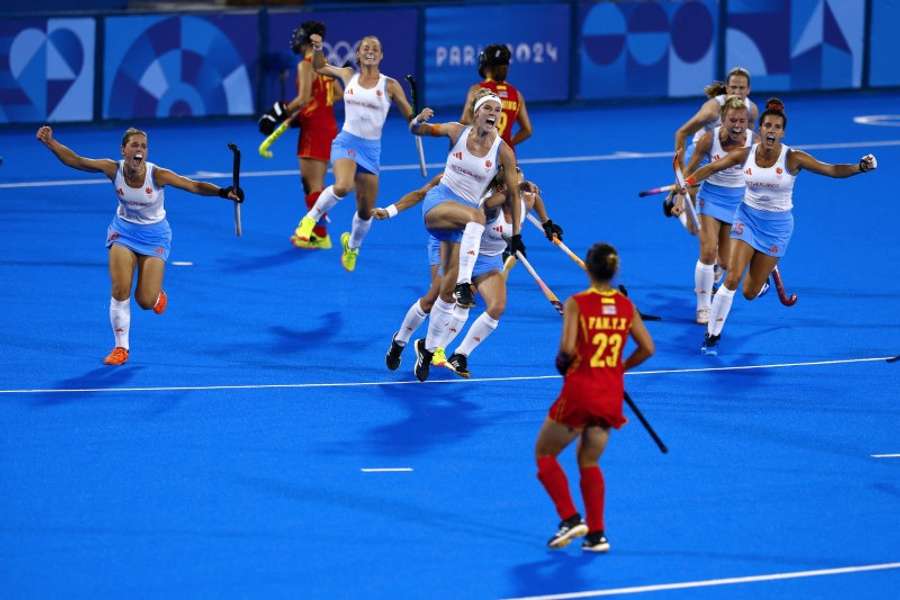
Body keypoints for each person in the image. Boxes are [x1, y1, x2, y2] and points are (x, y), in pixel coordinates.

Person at [35, 125, 244, 365]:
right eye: (134, 145)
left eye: (143, 146)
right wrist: (51, 143)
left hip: (155, 237)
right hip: (123, 232)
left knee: (145, 300)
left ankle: (156, 296)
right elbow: (77, 161)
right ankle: (121, 348)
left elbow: (193, 185)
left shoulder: (157, 175)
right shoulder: (112, 169)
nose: (139, 150)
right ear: (123, 149)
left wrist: (223, 192)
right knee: (120, 289)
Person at [683, 100, 878, 355]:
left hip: (777, 228)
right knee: (731, 277)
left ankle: (762, 278)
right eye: (767, 126)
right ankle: (712, 335)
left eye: (776, 127)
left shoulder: (793, 157)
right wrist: (687, 181)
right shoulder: (745, 153)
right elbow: (712, 167)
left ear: (782, 132)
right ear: (760, 129)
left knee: (749, 292)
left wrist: (859, 168)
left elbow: (830, 170)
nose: (771, 131)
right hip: (747, 218)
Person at [376, 168, 559, 377]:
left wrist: (547, 223)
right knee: (434, 298)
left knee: (496, 306)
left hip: (488, 260)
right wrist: (390, 211)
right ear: (500, 188)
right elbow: (422, 194)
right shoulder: (487, 203)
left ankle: (453, 353)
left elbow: (533, 199)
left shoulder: (524, 200)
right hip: (456, 244)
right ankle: (399, 341)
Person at [535, 243, 654, 551]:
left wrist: (563, 365)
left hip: (581, 390)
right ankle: (597, 534)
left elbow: (567, 350)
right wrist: (619, 368)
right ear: (616, 272)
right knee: (589, 460)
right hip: (609, 394)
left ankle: (570, 518)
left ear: (587, 269)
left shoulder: (577, 303)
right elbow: (648, 348)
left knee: (545, 453)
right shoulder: (626, 306)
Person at [407, 89, 526, 381]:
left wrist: (517, 235)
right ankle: (460, 286)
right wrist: (416, 120)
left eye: (497, 112)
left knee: (490, 304)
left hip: (472, 236)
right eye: (488, 109)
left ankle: (434, 348)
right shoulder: (455, 131)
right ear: (476, 112)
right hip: (445, 209)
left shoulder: (504, 152)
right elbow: (418, 129)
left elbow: (513, 192)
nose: (494, 115)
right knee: (442, 293)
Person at [292, 33, 416, 271]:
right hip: (347, 141)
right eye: (365, 47)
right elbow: (318, 66)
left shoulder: (390, 85)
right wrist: (318, 47)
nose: (370, 51)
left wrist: (419, 120)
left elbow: (410, 117)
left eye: (375, 48)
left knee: (366, 211)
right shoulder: (348, 74)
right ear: (358, 54)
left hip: (371, 150)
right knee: (342, 186)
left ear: (381, 56)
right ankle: (309, 220)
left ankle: (352, 246)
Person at [259, 21, 341, 250]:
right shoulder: (325, 64)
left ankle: (321, 235)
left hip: (314, 129)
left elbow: (303, 98)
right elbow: (338, 95)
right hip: (328, 126)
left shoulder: (305, 65)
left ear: (304, 38)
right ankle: (318, 233)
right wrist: (309, 112)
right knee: (317, 183)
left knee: (311, 184)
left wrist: (278, 113)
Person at [673, 96, 755, 324]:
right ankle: (703, 308)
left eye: (742, 120)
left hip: (737, 203)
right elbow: (691, 170)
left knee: (726, 264)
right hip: (711, 198)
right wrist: (680, 194)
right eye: (732, 120)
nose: (738, 125)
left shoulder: (754, 142)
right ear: (723, 119)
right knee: (708, 251)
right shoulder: (709, 140)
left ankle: (711, 278)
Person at [667, 68, 759, 235]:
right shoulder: (712, 110)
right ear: (726, 88)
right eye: (733, 87)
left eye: (742, 88)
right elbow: (681, 133)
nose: (737, 92)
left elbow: (748, 142)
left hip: (727, 153)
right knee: (694, 230)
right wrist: (680, 175)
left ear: (748, 89)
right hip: (701, 152)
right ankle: (680, 203)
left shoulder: (751, 111)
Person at [460, 44, 532, 150]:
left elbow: (465, 122)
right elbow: (527, 130)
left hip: (482, 156)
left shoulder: (478, 90)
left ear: (486, 67)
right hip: (507, 158)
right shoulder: (516, 94)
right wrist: (507, 143)